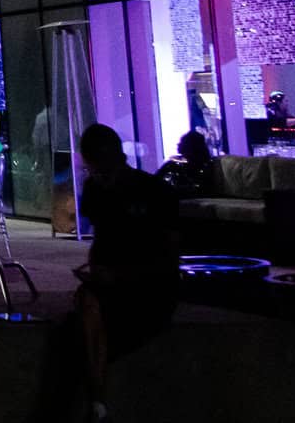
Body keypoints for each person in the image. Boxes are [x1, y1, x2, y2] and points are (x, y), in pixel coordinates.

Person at [31, 124, 178, 423]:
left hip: (145, 287)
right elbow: (102, 240)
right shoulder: (98, 190)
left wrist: (119, 274)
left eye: (98, 169)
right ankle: (96, 405)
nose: (98, 176)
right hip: (115, 283)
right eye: (94, 170)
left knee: (79, 334)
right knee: (81, 325)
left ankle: (93, 404)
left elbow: (167, 256)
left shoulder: (151, 192)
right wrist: (99, 271)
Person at [157, 130, 220, 198]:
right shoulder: (173, 164)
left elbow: (199, 189)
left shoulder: (207, 165)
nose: (178, 145)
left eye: (182, 142)